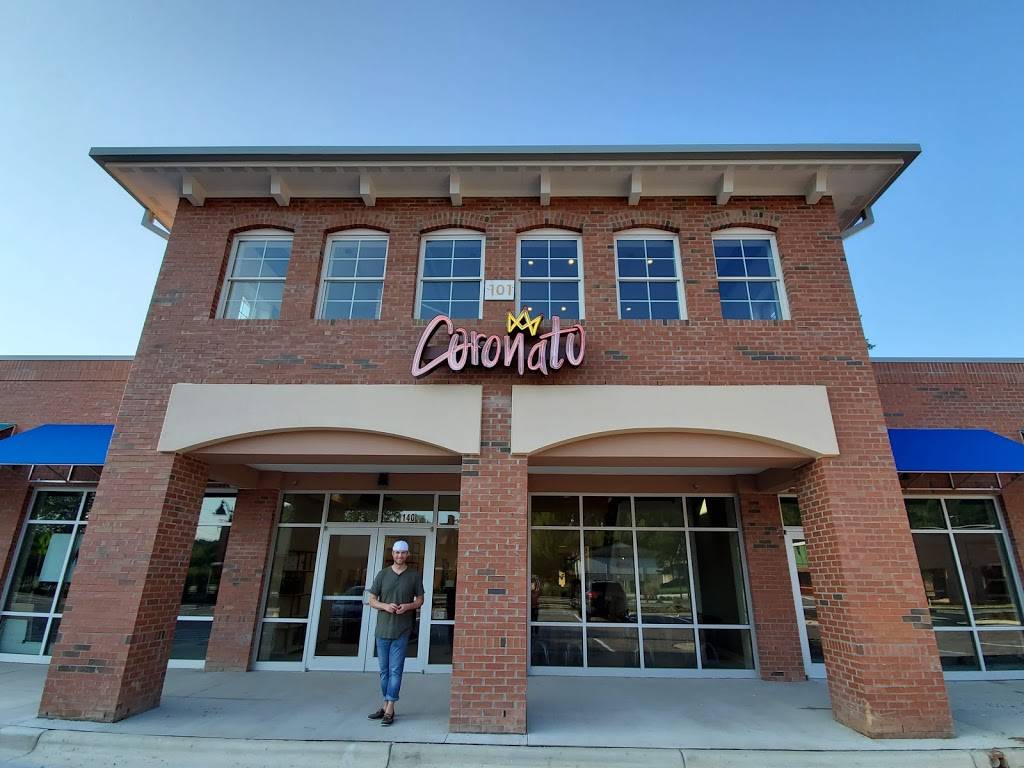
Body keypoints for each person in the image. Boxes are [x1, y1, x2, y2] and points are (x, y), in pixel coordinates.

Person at [366, 540, 424, 726]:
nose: (400, 555)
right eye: (397, 552)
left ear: (408, 554)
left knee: (395, 670)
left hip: (402, 630)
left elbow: (420, 600)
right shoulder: (382, 574)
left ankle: (390, 707)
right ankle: (385, 705)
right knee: (384, 671)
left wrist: (408, 606)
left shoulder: (414, 576)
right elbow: (372, 599)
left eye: (403, 552)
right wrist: (385, 606)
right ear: (392, 554)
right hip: (383, 629)